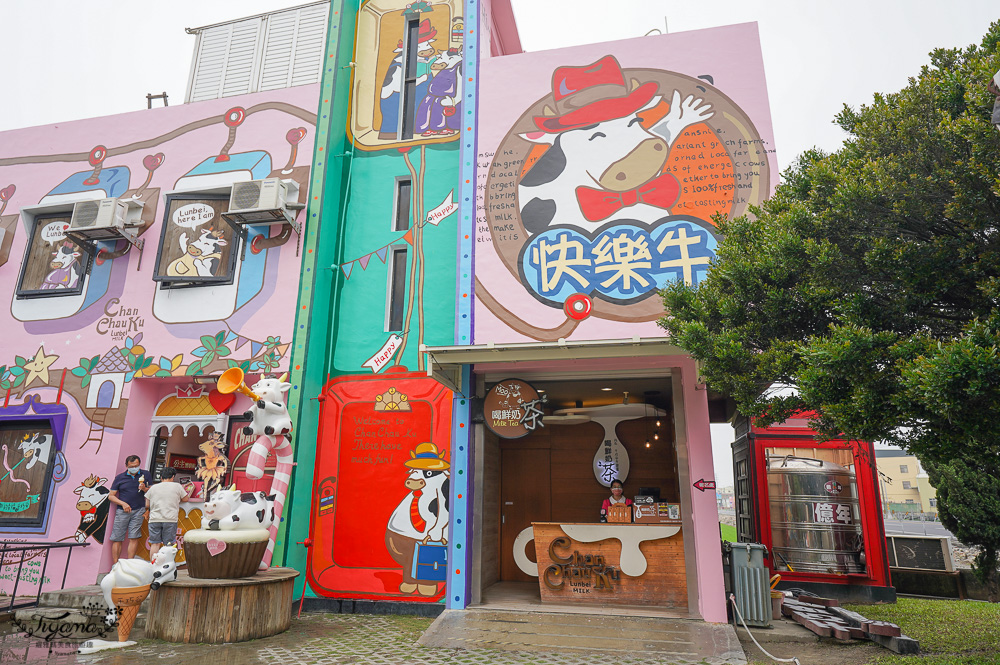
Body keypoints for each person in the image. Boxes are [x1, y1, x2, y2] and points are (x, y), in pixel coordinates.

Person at [144, 467, 193, 558]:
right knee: (168, 545)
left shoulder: (153, 488)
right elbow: (186, 499)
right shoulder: (177, 486)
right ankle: (167, 566)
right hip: (170, 519)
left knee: (155, 544)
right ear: (173, 477)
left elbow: (147, 504)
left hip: (154, 519)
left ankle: (153, 566)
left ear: (161, 477)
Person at [108, 455, 150, 560]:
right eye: (131, 466)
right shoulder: (120, 478)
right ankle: (115, 566)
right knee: (117, 538)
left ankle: (129, 563)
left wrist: (144, 488)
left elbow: (151, 492)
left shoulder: (146, 474)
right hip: (122, 511)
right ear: (126, 465)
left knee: (134, 537)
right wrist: (122, 503)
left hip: (139, 509)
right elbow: (111, 496)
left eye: (136, 466)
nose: (134, 468)